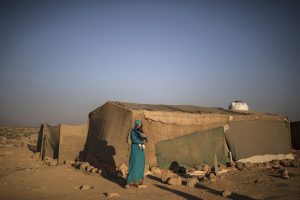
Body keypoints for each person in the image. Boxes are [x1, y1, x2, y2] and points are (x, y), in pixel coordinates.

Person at [125, 119, 147, 189]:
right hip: (135, 149)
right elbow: (134, 139)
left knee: (141, 165)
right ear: (136, 125)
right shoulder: (133, 131)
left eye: (140, 124)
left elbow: (145, 138)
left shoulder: (141, 132)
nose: (139, 125)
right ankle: (128, 182)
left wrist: (145, 140)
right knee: (134, 164)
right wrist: (141, 142)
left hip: (141, 150)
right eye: (138, 124)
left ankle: (138, 182)